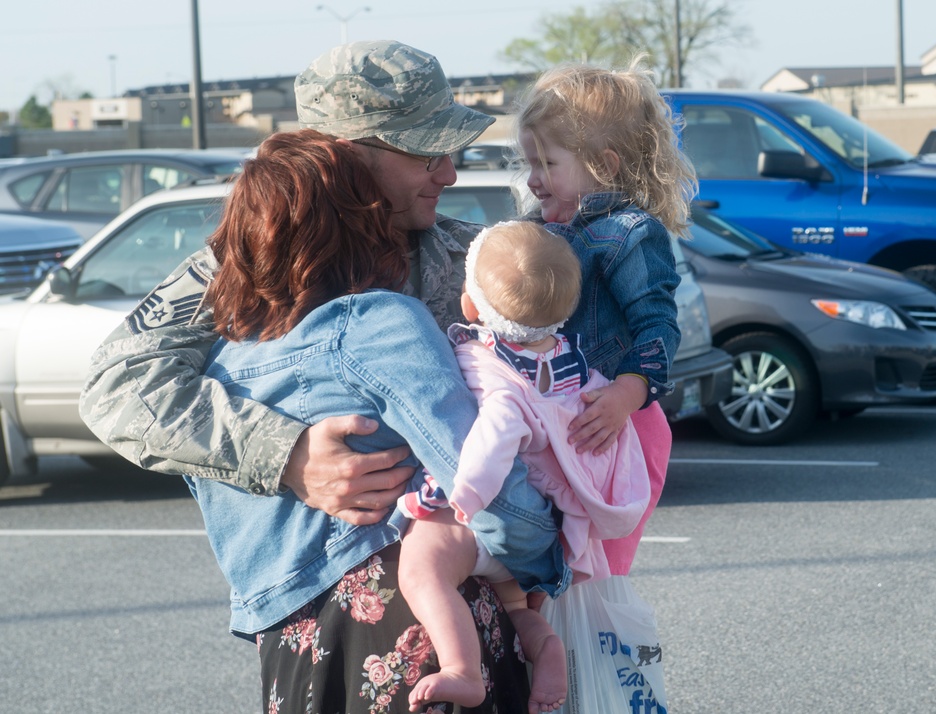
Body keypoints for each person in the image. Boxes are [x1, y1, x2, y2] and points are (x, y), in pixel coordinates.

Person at [78, 40, 570, 714]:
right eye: (424, 153)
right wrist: (285, 455)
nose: (449, 175)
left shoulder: (478, 262)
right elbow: (118, 387)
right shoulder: (252, 258)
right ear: (345, 155)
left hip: (489, 603)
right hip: (338, 619)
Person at [397, 220, 651, 713]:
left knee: (422, 567)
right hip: (550, 532)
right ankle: (545, 646)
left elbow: (493, 441)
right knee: (516, 604)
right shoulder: (575, 365)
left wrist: (460, 499)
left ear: (470, 307)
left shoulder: (495, 373)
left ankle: (461, 670)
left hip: (500, 519)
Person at [509, 60, 699, 713]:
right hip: (579, 428)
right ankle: (569, 681)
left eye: (547, 162)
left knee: (589, 578)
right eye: (528, 162)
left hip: (623, 425)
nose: (532, 178)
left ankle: (596, 689)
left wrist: (628, 392)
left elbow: (656, 323)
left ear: (606, 165)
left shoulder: (628, 233)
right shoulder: (546, 231)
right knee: (553, 578)